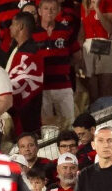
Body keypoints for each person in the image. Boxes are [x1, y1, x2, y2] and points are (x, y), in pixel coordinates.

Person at [33, 0, 81, 129]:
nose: (49, 12)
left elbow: (77, 55)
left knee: (70, 123)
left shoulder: (66, 31)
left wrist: (64, 66)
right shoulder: (32, 33)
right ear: (39, 11)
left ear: (58, 11)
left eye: (53, 9)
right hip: (42, 88)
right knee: (46, 126)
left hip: (63, 86)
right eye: (46, 8)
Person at [6, 12, 44, 136]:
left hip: (28, 113)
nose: (10, 27)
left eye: (12, 24)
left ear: (20, 26)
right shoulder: (19, 49)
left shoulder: (28, 52)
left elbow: (20, 83)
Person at [79, 0, 112, 103]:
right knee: (92, 91)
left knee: (107, 91)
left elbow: (110, 29)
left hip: (105, 44)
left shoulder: (108, 2)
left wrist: (97, 9)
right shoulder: (84, 4)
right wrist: (80, 53)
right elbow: (82, 31)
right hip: (88, 47)